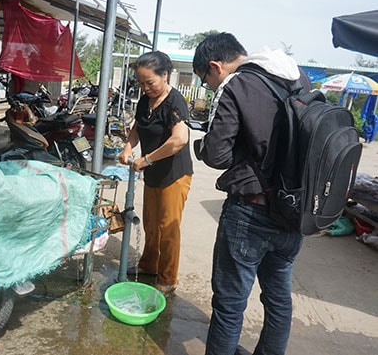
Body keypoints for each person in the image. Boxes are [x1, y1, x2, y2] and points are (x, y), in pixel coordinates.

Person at [191, 32, 312, 355]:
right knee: (278, 301)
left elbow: (216, 155)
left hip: (250, 212)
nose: (209, 87)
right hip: (294, 211)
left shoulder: (237, 84)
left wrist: (205, 145)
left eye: (205, 80)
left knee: (230, 305)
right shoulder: (299, 77)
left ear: (215, 66)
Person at [118, 51, 193, 296]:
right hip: (151, 173)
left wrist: (147, 159)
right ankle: (149, 265)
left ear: (165, 75)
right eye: (141, 83)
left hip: (174, 174)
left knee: (168, 228)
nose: (145, 88)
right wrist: (128, 147)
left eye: (149, 82)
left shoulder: (174, 102)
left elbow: (180, 139)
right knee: (151, 223)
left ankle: (168, 278)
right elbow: (137, 127)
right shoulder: (144, 101)